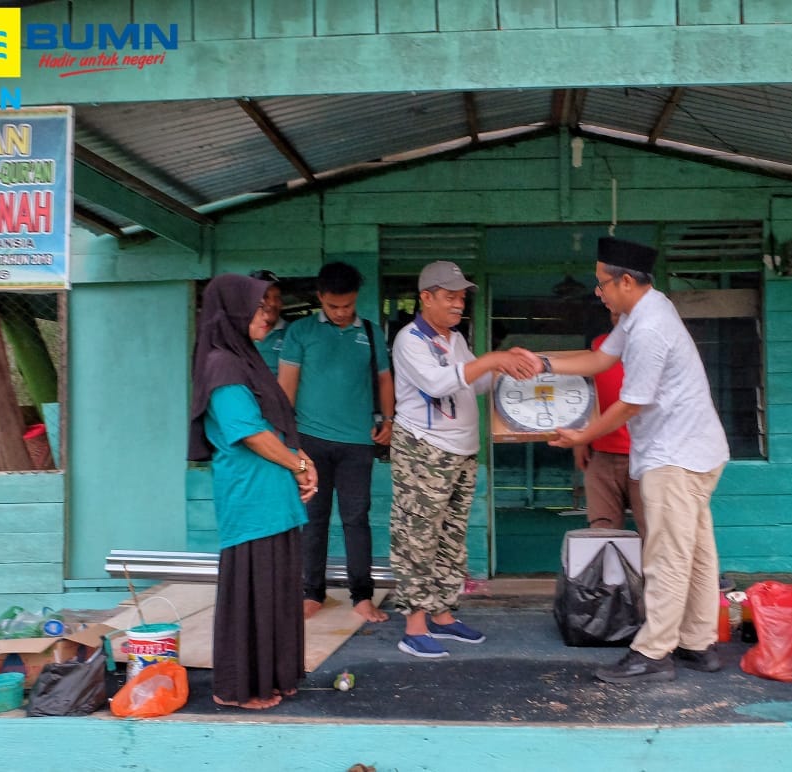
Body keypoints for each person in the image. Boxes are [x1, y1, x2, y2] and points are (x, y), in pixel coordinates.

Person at [532, 237, 731, 684]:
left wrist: (583, 434)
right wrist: (540, 362)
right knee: (695, 551)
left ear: (626, 280)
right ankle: (697, 644)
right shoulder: (643, 311)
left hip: (675, 456)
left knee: (667, 555)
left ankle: (653, 653)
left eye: (602, 282)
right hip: (692, 451)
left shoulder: (650, 328)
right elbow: (599, 358)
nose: (597, 291)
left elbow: (631, 403)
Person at [389, 260, 535, 659]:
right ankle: (414, 625)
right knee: (417, 537)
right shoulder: (410, 340)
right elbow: (438, 383)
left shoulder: (452, 339)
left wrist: (507, 369)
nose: (458, 305)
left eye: (460, 298)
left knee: (451, 537)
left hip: (460, 449)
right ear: (425, 297)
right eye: (450, 297)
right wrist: (491, 358)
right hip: (424, 450)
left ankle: (443, 615)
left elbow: (473, 381)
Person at [188, 273, 317, 709]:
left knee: (277, 593)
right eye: (259, 307)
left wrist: (303, 464)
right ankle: (240, 687)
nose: (268, 315)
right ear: (233, 312)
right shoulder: (223, 364)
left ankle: (274, 677)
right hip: (250, 500)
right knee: (252, 594)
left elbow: (277, 428)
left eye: (270, 306)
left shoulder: (247, 361)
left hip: (273, 499)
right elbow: (251, 434)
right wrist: (298, 463)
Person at [278, 262, 394, 624]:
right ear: (320, 299)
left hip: (358, 442)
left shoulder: (372, 334)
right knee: (313, 519)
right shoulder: (300, 333)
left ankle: (362, 596)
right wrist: (289, 442)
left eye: (348, 305)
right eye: (333, 306)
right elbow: (286, 388)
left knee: (356, 519)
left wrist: (388, 421)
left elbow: (385, 380)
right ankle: (312, 593)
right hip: (310, 441)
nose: (342, 313)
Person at [574, 311, 645, 538]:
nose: (618, 314)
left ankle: (651, 576)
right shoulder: (600, 345)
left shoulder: (652, 345)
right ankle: (607, 575)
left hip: (646, 455)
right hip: (602, 454)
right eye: (614, 309)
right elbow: (585, 394)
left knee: (653, 531)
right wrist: (581, 439)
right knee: (602, 530)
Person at [249, 269, 288, 375]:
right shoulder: (234, 334)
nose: (272, 303)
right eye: (265, 297)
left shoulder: (293, 334)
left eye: (277, 297)